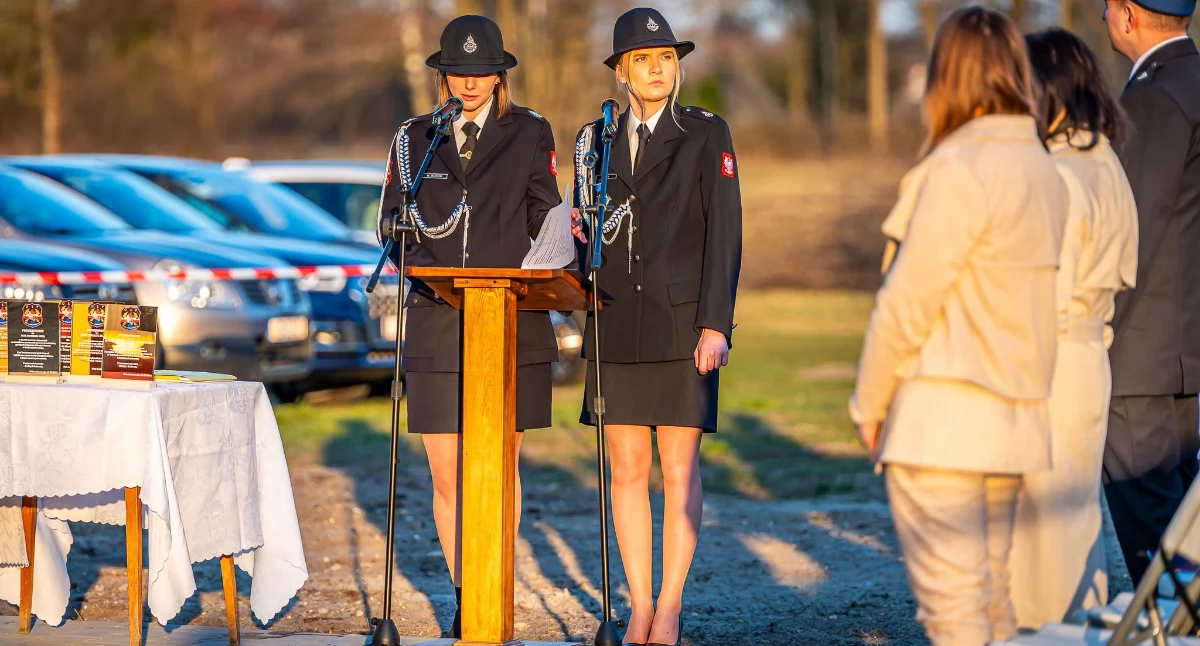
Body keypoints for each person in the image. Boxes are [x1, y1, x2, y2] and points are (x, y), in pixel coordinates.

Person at [848, 7, 1066, 645]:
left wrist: (869, 402)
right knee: (993, 602)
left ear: (949, 74)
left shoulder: (960, 167)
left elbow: (908, 302)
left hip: (944, 425)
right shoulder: (1041, 168)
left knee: (957, 618)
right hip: (1013, 419)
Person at [375, 14, 561, 639]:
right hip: (435, 323)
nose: (471, 82)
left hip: (507, 321)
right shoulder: (413, 137)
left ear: (500, 74)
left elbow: (547, 217)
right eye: (459, 71)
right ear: (444, 74)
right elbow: (391, 229)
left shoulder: (530, 132)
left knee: (498, 468)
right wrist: (431, 275)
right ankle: (465, 593)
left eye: (482, 72)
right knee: (449, 472)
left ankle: (492, 583)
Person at [568, 7, 741, 646]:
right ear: (621, 71)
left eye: (666, 58)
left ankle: (670, 607)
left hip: (681, 324)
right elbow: (583, 226)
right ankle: (638, 604)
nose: (658, 69)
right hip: (614, 322)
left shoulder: (705, 132)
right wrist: (578, 237)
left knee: (679, 467)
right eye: (643, 59)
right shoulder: (598, 138)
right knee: (627, 467)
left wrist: (715, 324)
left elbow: (726, 231)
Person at [1008, 27, 1139, 630]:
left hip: (1050, 357)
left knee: (1040, 534)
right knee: (1075, 523)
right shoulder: (1104, 160)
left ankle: (1045, 637)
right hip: (1090, 356)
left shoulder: (1057, 175)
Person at [1100, 0, 1200, 585]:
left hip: (1141, 355)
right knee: (1185, 525)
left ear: (1129, 16)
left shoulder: (1153, 98)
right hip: (1186, 349)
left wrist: (1097, 335)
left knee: (1158, 544)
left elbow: (1130, 233)